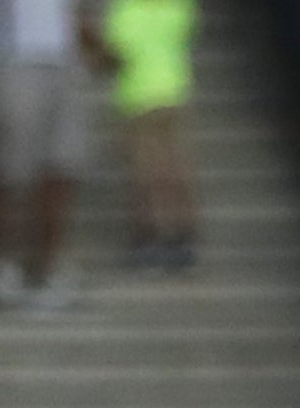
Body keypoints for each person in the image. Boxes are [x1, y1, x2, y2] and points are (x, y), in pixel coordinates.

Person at [0, 0, 95, 309]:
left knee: (62, 164)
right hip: (14, 57)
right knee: (9, 171)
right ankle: (3, 264)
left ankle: (50, 269)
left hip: (65, 59)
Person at [100, 0, 200, 269]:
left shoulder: (127, 9)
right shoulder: (179, 6)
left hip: (138, 97)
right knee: (175, 166)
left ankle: (148, 235)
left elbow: (115, 53)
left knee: (145, 170)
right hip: (173, 91)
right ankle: (182, 231)